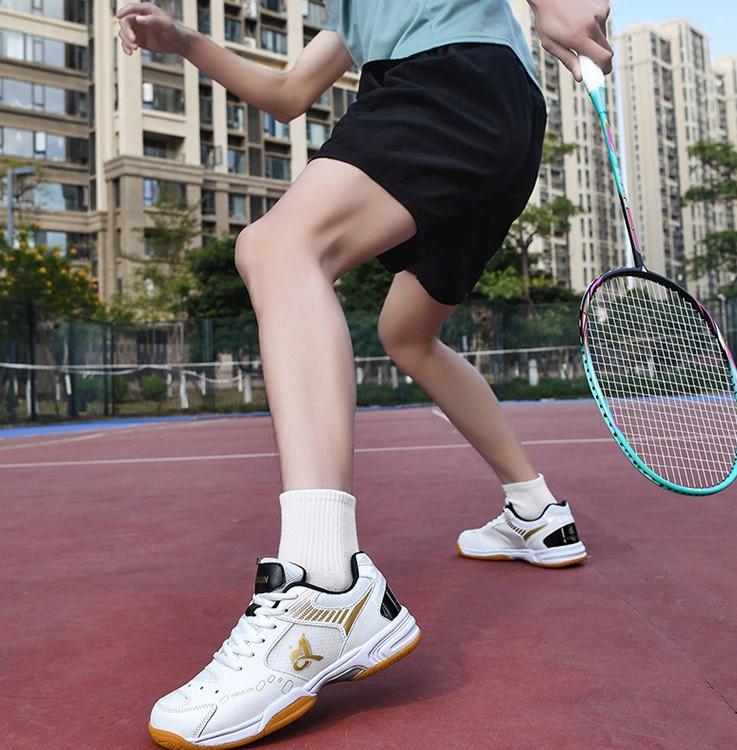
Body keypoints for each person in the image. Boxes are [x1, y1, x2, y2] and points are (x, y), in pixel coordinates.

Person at [117, 1, 612, 747]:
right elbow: (289, 93)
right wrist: (183, 40)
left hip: (450, 84)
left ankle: (325, 582)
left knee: (279, 247)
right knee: (406, 334)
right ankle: (537, 511)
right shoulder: (355, 17)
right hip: (498, 117)